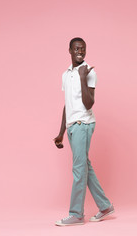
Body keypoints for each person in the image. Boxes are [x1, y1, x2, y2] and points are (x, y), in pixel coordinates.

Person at [54, 37, 114, 226]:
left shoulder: (88, 72)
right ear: (70, 51)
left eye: (83, 49)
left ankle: (76, 214)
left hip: (83, 123)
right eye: (77, 49)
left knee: (79, 169)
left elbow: (89, 103)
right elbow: (68, 105)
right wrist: (61, 131)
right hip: (72, 125)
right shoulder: (65, 74)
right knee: (85, 167)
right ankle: (105, 206)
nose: (80, 52)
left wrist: (82, 78)